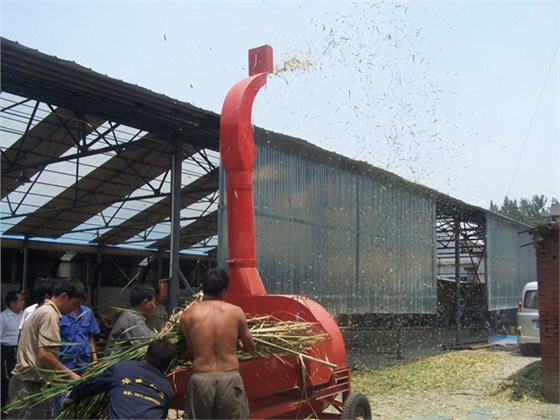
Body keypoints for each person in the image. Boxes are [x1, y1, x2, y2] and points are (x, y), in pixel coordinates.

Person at [179, 268, 255, 419]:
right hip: (229, 378)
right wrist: (236, 345)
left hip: (201, 380)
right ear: (223, 291)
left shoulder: (187, 315)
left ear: (202, 288)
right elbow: (250, 348)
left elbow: (190, 352)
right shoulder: (235, 312)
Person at [7, 278, 86, 419]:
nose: (74, 309)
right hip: (30, 387)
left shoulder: (42, 310)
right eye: (74, 304)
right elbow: (45, 355)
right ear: (64, 296)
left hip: (26, 384)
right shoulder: (50, 315)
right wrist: (73, 377)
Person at [66, 338, 176, 419]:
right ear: (168, 365)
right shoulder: (167, 388)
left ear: (145, 355)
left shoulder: (123, 368)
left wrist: (73, 395)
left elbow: (90, 386)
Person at [58, 297, 100, 374]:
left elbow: (90, 337)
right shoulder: (61, 313)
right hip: (65, 362)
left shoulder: (87, 312)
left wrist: (95, 360)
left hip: (84, 362)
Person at [108, 284, 157, 349]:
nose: (155, 306)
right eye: (153, 302)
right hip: (122, 358)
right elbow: (148, 341)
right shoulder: (133, 318)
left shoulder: (130, 314)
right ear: (146, 303)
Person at [0, 291, 25, 416]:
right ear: (12, 303)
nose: (23, 303)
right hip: (7, 350)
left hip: (20, 349)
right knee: (6, 378)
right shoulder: (3, 317)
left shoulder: (24, 315)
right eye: (20, 300)